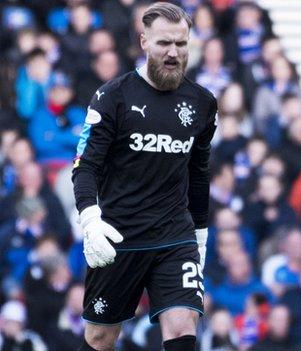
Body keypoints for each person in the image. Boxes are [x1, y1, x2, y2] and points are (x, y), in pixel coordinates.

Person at [71, 3, 218, 350]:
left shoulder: (202, 103)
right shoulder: (112, 97)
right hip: (118, 237)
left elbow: (198, 174)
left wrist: (200, 236)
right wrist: (91, 220)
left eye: (181, 44)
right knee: (99, 338)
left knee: (183, 325)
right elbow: (85, 166)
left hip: (174, 235)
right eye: (164, 43)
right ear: (144, 42)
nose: (173, 52)